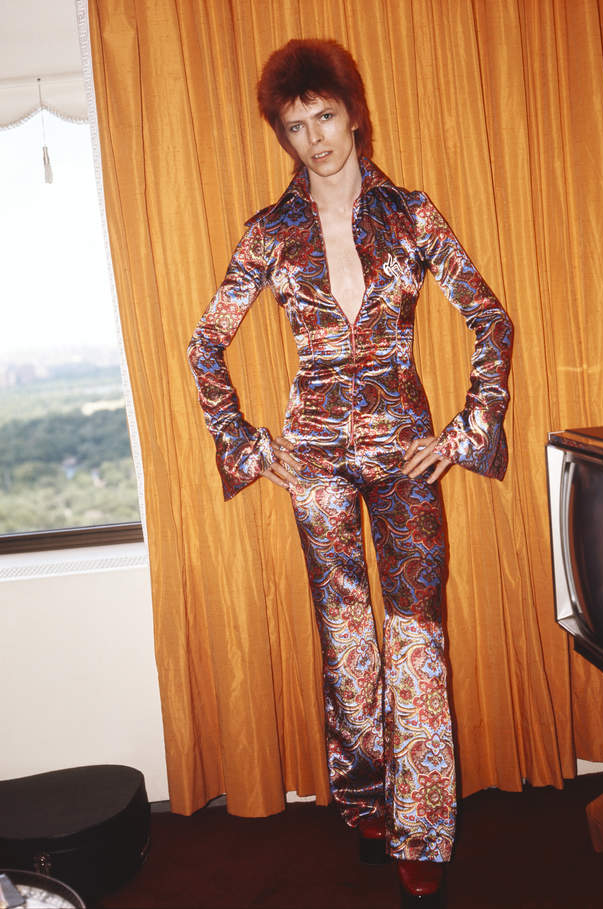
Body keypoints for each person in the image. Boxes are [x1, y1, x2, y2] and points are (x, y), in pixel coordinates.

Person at [188, 38, 512, 904]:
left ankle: (424, 827)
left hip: (406, 456)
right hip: (316, 464)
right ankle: (367, 798)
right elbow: (205, 345)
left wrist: (465, 431)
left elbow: (491, 320)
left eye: (325, 116)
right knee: (346, 637)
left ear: (353, 114)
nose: (315, 139)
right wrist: (252, 446)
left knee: (416, 638)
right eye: (296, 126)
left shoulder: (411, 214)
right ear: (283, 135)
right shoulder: (271, 232)